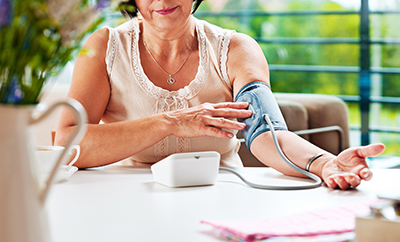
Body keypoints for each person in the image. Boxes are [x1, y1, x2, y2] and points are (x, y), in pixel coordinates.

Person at [55, 0, 385, 190]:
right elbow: (67, 144)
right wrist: (171, 122)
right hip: (125, 196)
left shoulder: (236, 49)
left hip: (217, 196)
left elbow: (266, 133)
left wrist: (326, 163)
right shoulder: (104, 47)